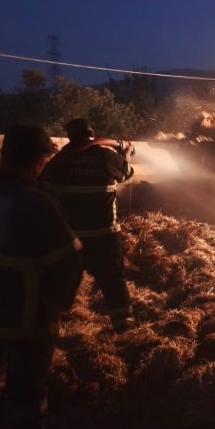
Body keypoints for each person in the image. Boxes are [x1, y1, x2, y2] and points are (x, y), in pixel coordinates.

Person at [0, 124, 83, 429]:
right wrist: (57, 305)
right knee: (25, 398)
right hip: (24, 318)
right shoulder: (38, 205)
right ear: (38, 162)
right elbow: (67, 265)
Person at [41, 118, 135, 332]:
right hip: (104, 234)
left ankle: (53, 326)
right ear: (91, 132)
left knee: (64, 281)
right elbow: (125, 173)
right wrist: (126, 154)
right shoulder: (104, 155)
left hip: (70, 237)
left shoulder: (60, 160)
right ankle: (124, 329)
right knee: (113, 280)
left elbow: (45, 188)